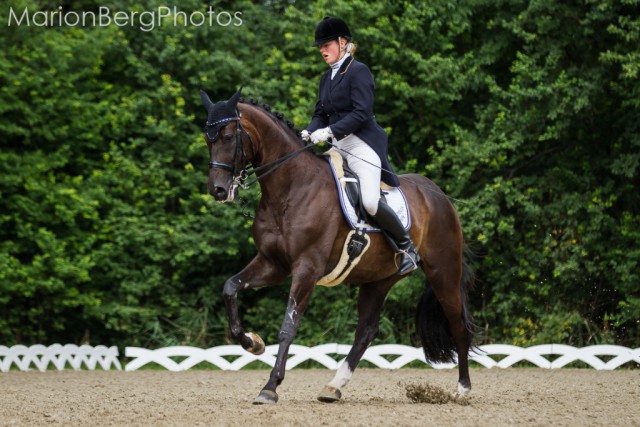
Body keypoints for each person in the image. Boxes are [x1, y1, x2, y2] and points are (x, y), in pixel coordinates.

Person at [301, 16, 420, 275]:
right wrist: (309, 132)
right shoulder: (326, 78)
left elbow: (362, 113)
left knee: (369, 201)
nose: (322, 50)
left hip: (361, 145)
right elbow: (320, 113)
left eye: (327, 45)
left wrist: (329, 131)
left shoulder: (358, 71)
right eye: (320, 46)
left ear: (343, 43)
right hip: (337, 148)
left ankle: (407, 247)